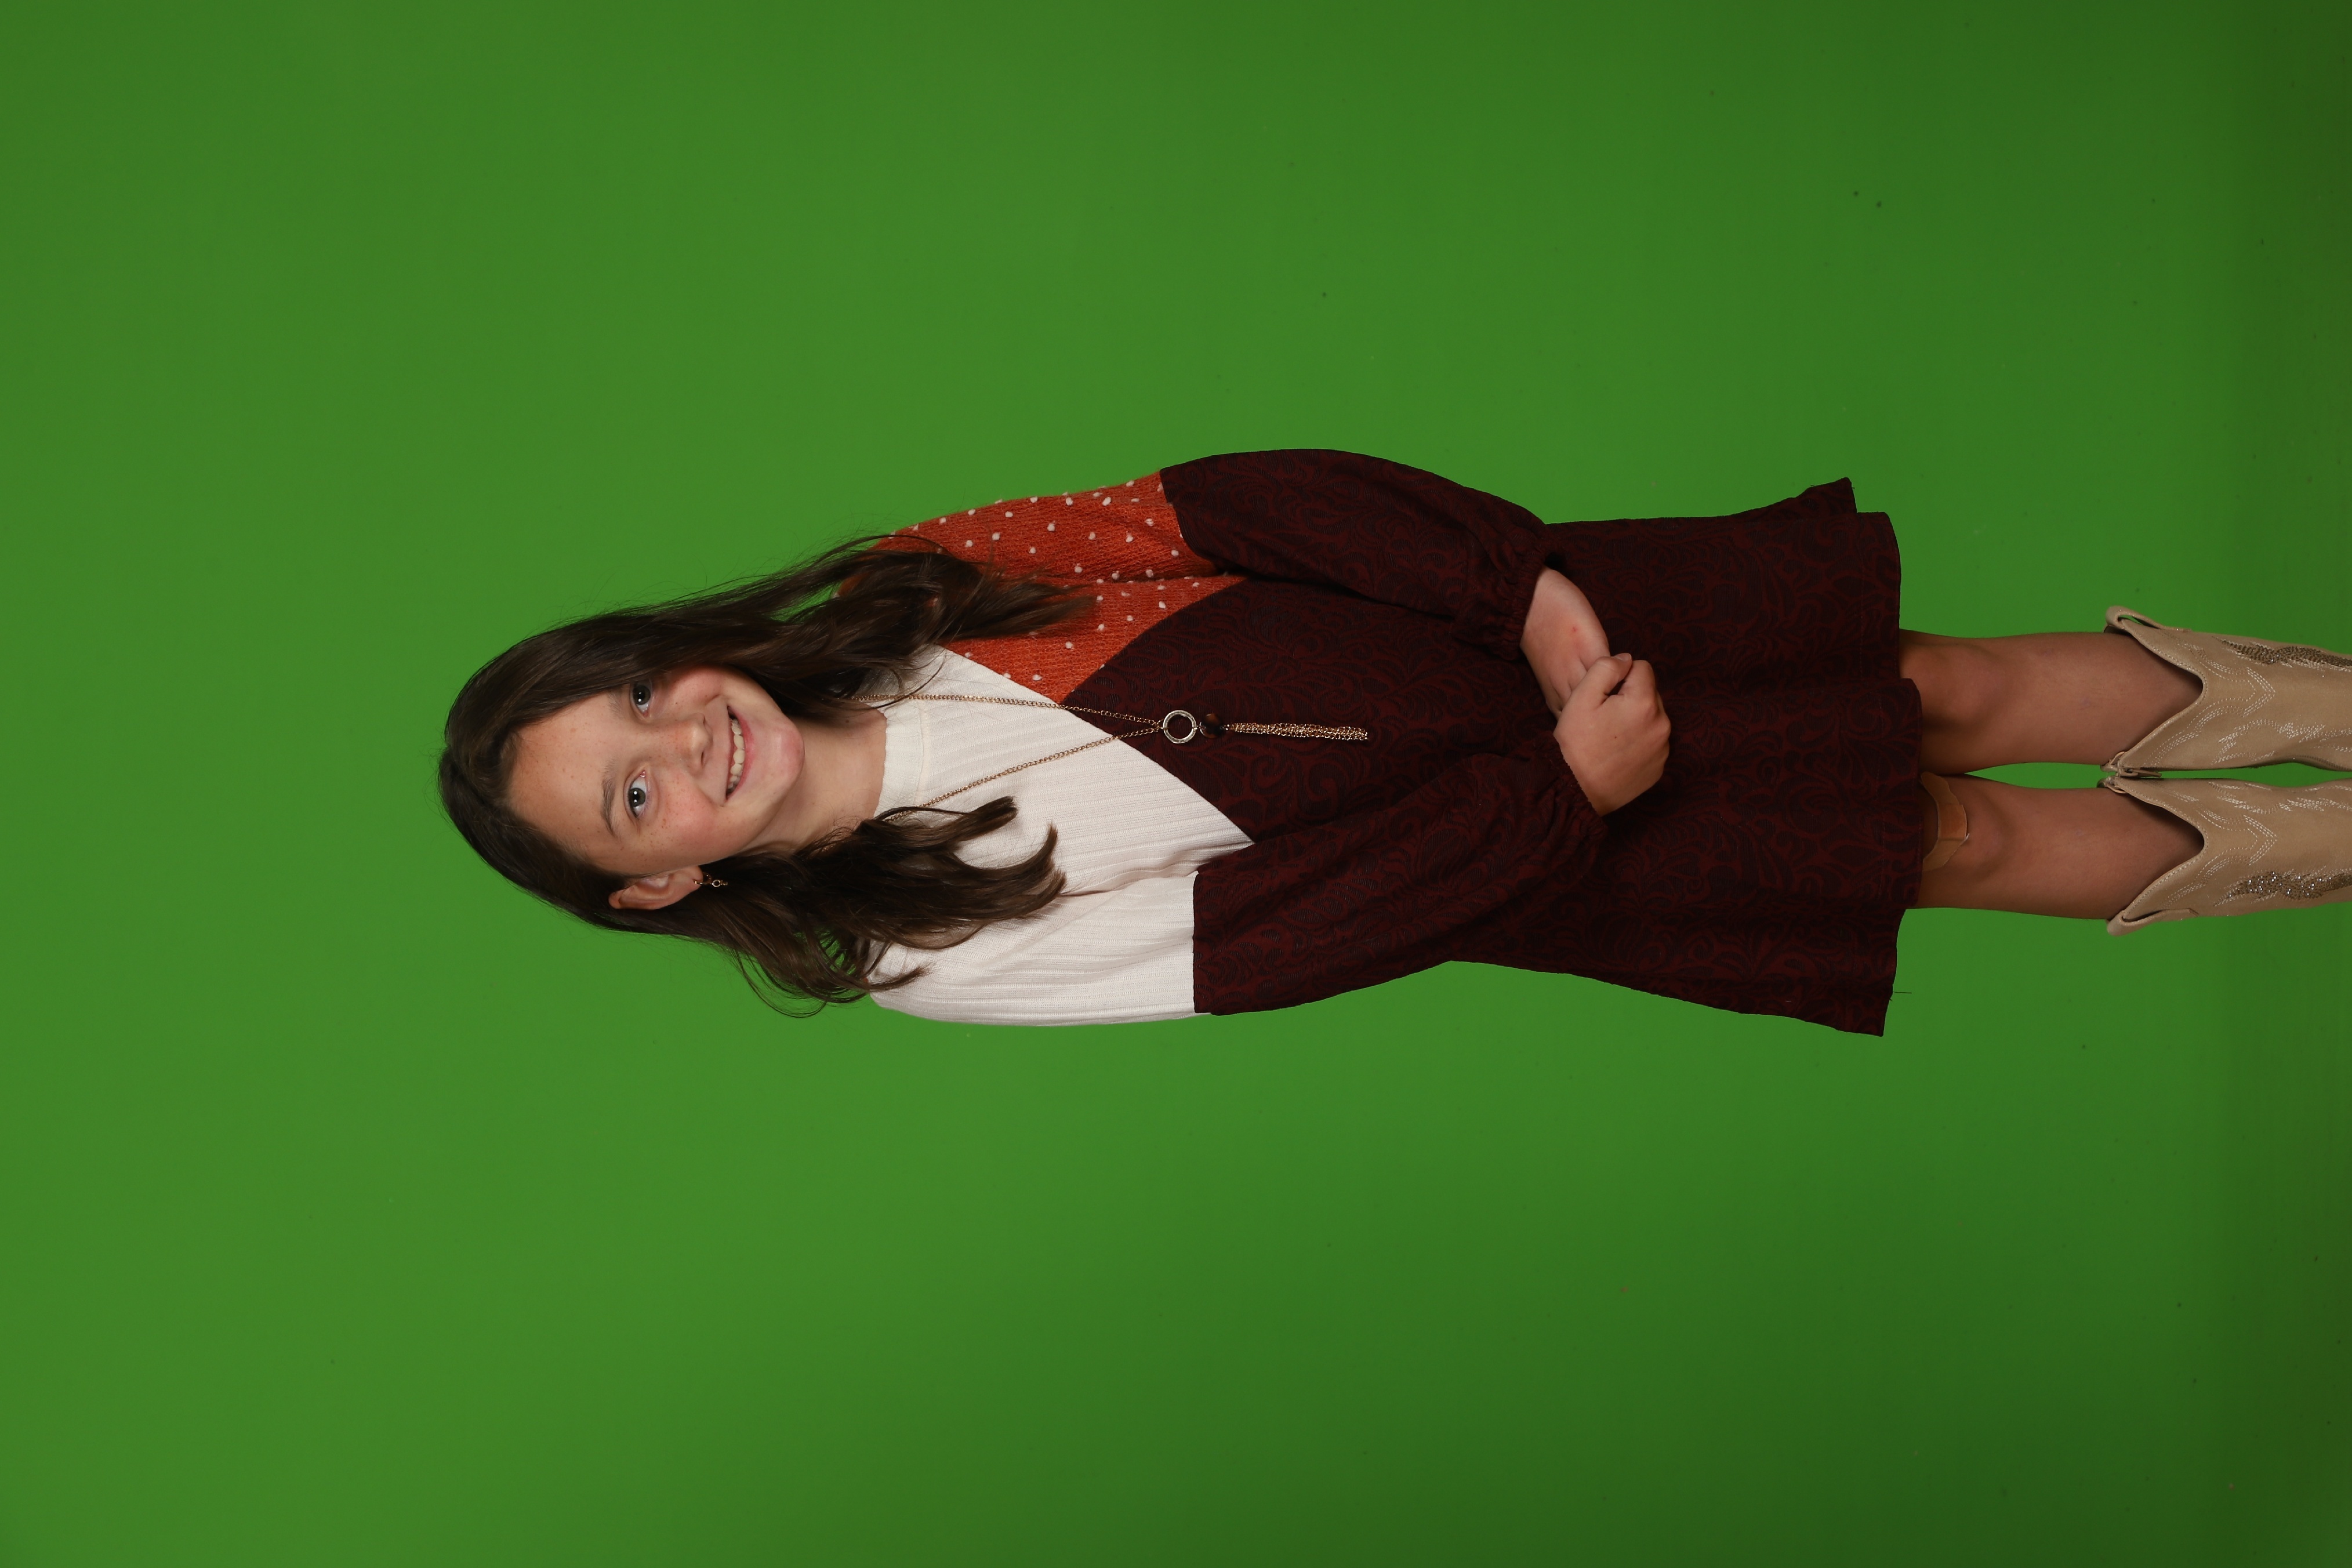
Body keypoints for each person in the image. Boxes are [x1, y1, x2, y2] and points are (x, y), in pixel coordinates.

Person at [438, 450, 2352, 1035]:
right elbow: (1299, 936)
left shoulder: (909, 588)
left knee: (1941, 684)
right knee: (1951, 841)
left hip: (1530, 620)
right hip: (1563, 828)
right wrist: (1562, 794)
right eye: (634, 796)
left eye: (643, 696)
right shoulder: (925, 945)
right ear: (659, 882)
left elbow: (1240, 503)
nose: (685, 743)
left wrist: (1525, 594)